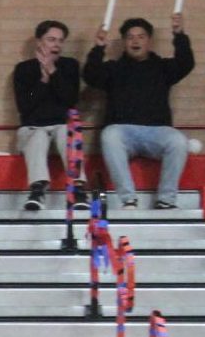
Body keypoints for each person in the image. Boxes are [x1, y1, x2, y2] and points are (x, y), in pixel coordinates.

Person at [84, 13, 194, 209]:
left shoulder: (162, 67)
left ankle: (166, 200)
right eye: (130, 37)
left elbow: (186, 63)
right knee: (110, 134)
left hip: (157, 132)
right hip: (123, 132)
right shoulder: (113, 69)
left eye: (141, 36)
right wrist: (98, 47)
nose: (135, 41)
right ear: (125, 42)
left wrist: (179, 35)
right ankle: (128, 199)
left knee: (178, 140)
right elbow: (90, 76)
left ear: (149, 41)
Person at [12, 20, 83, 211]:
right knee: (38, 136)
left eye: (60, 41)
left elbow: (70, 99)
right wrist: (42, 80)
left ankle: (78, 188)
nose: (56, 45)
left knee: (65, 132)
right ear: (39, 42)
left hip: (61, 124)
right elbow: (25, 105)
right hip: (33, 126)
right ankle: (37, 190)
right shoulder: (24, 69)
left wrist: (52, 71)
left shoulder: (70, 66)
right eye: (51, 39)